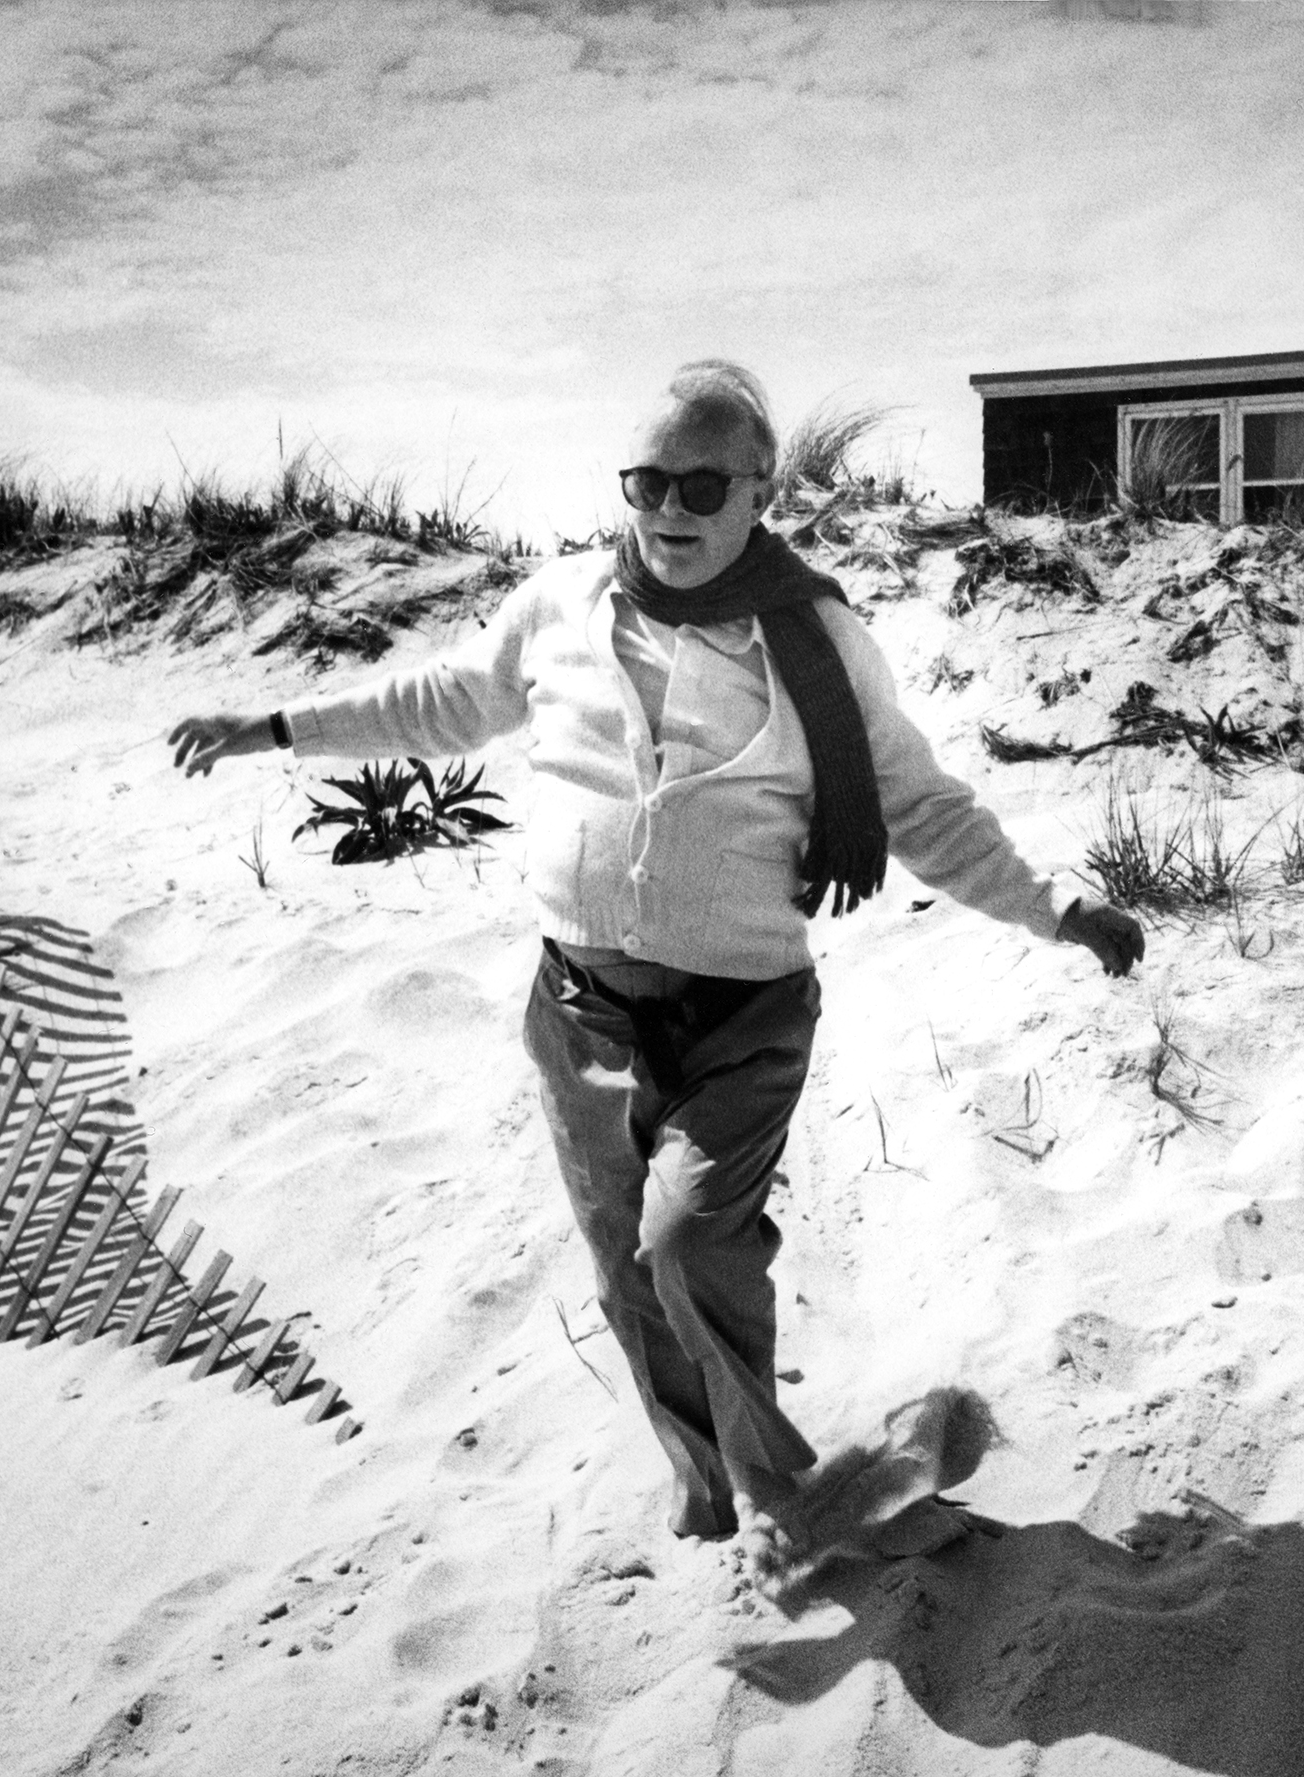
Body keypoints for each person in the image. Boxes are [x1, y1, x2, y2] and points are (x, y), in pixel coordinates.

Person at [169, 361, 1144, 1566]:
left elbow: (922, 807)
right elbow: (446, 702)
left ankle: (794, 1498)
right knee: (625, 1271)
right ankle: (712, 1485)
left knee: (686, 1245)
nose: (669, 510)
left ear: (759, 490)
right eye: (647, 482)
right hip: (579, 1010)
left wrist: (1056, 907)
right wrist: (273, 727)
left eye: (700, 483)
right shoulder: (566, 604)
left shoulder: (818, 638)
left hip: (741, 1013)